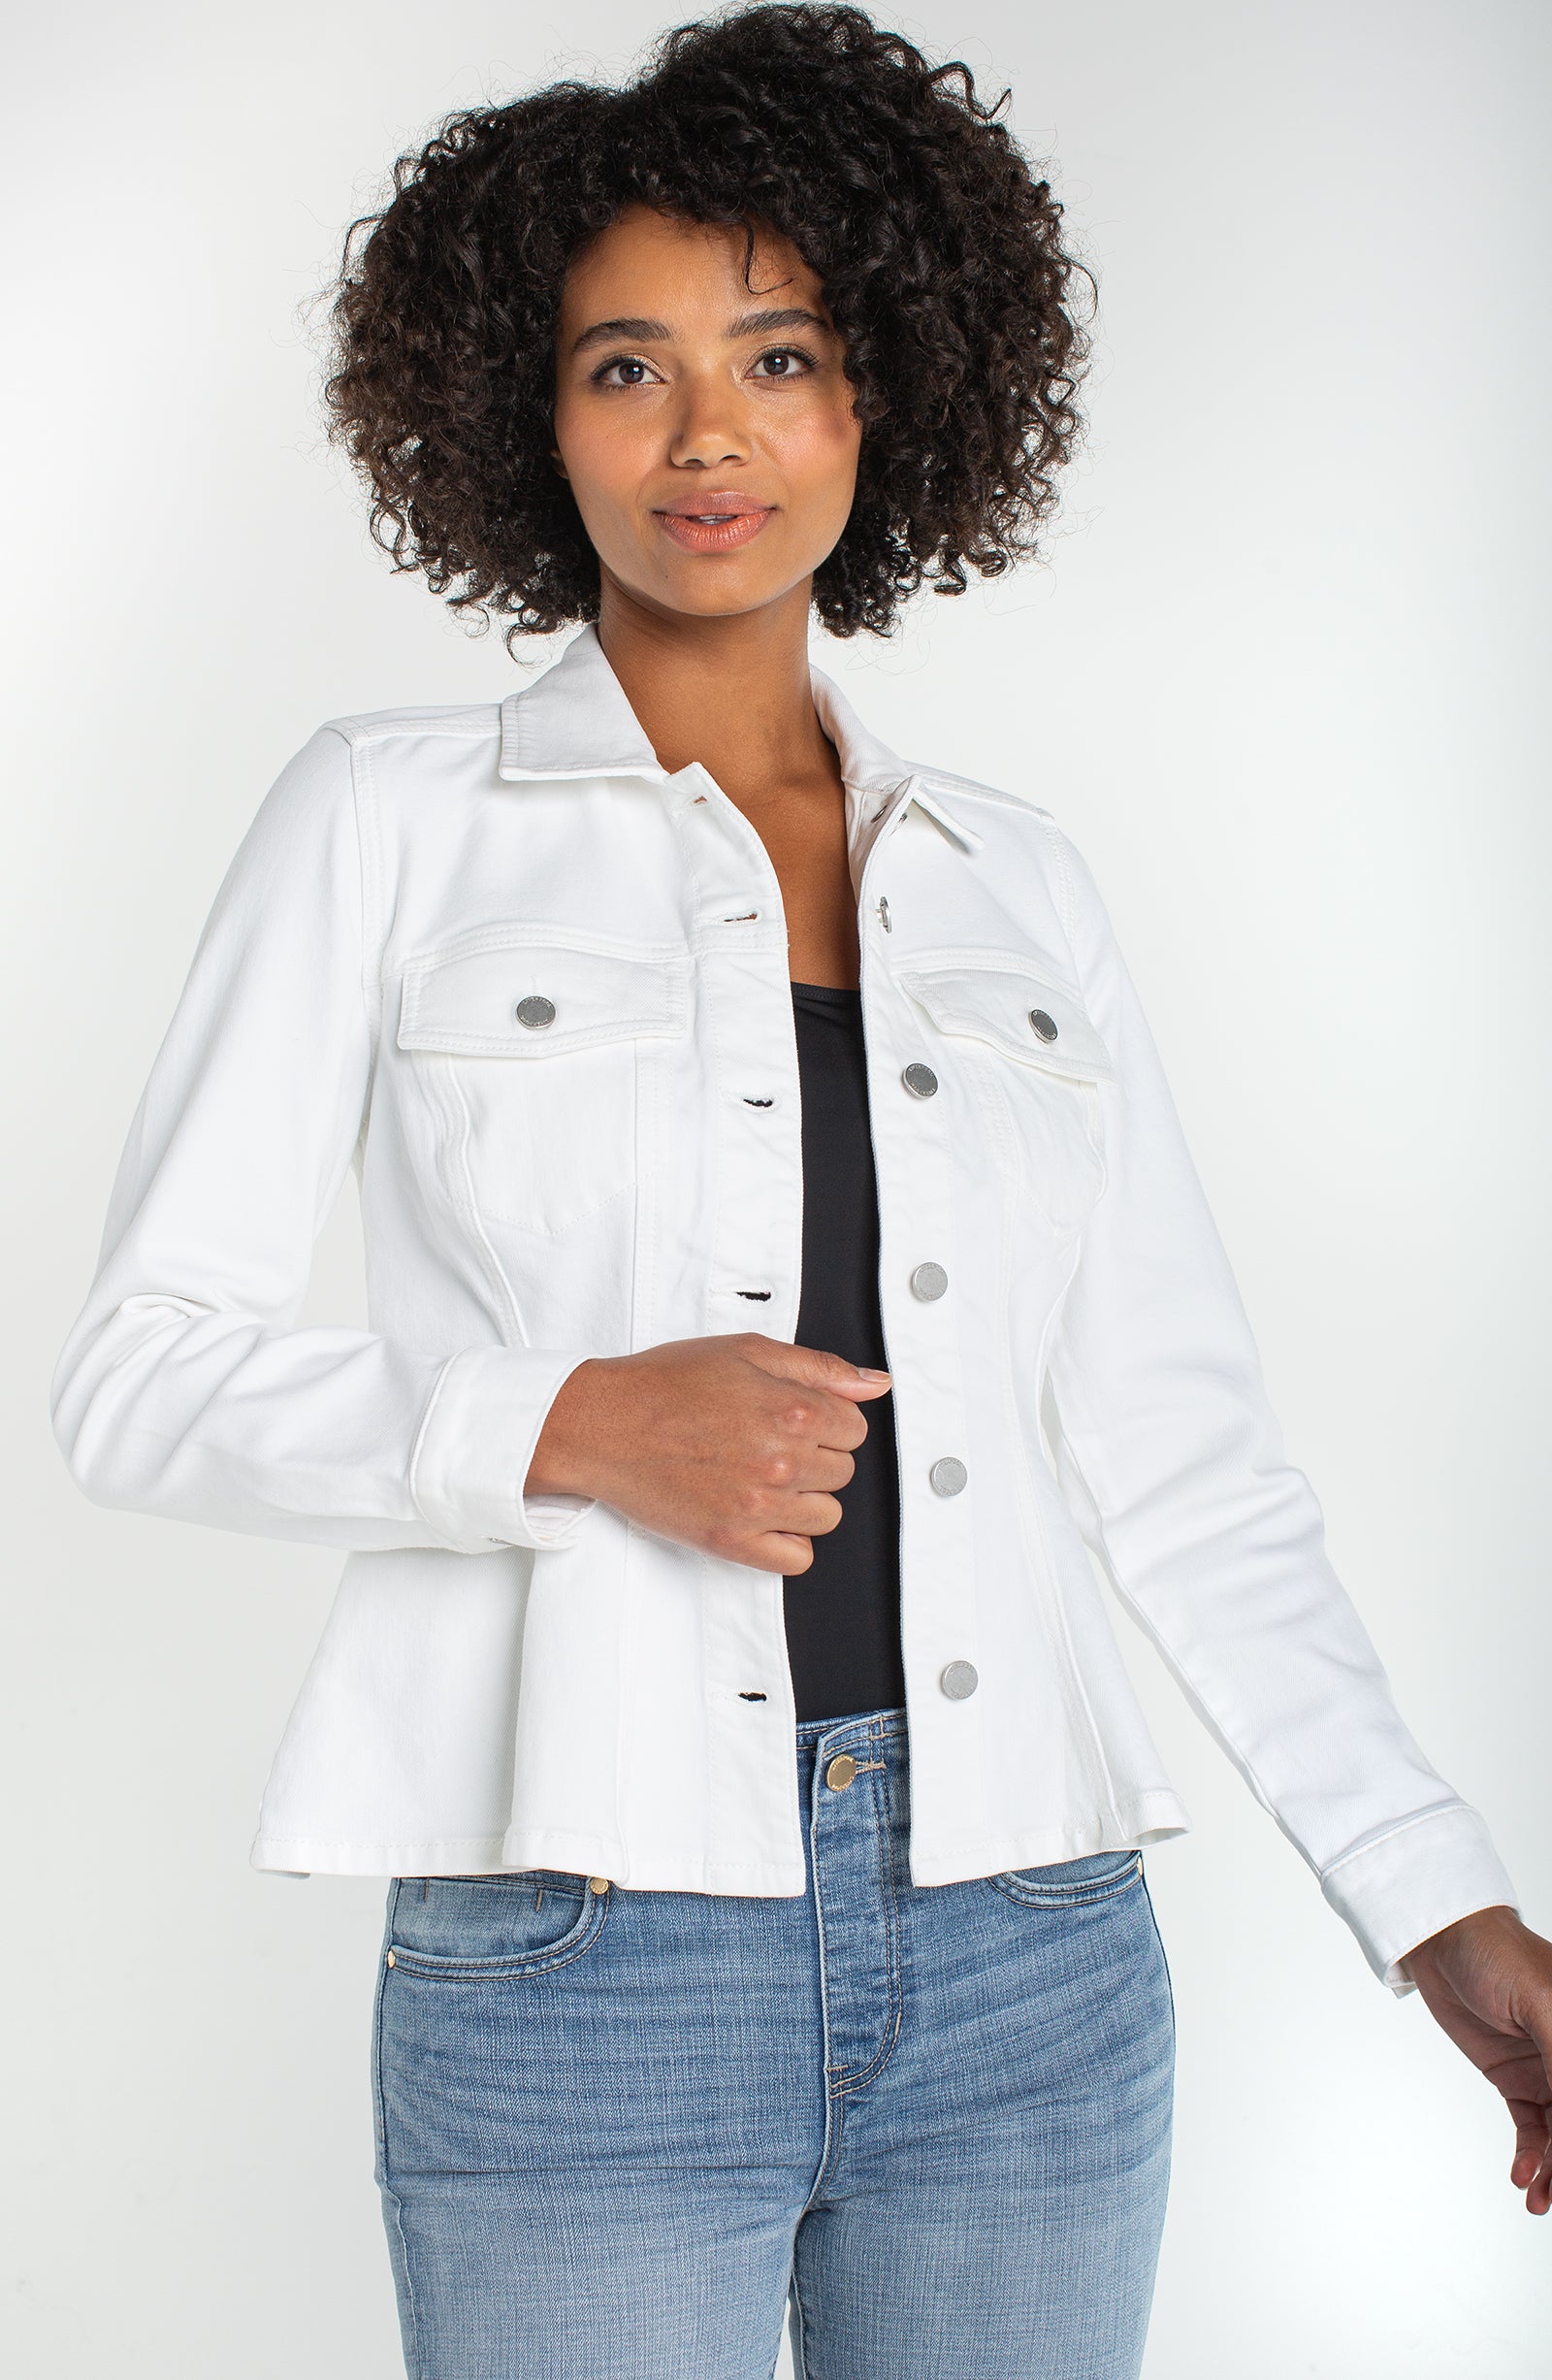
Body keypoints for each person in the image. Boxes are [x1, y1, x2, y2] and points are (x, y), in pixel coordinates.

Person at [49, 7, 1551, 2375]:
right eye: (622, 368)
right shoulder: (385, 819)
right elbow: (140, 1379)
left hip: (1031, 1948)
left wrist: (1434, 1907)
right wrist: (568, 1423)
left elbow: (1181, 1461)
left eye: (775, 356)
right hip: (583, 1948)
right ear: (528, 419)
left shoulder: (1015, 881)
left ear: (883, 395)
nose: (706, 435)